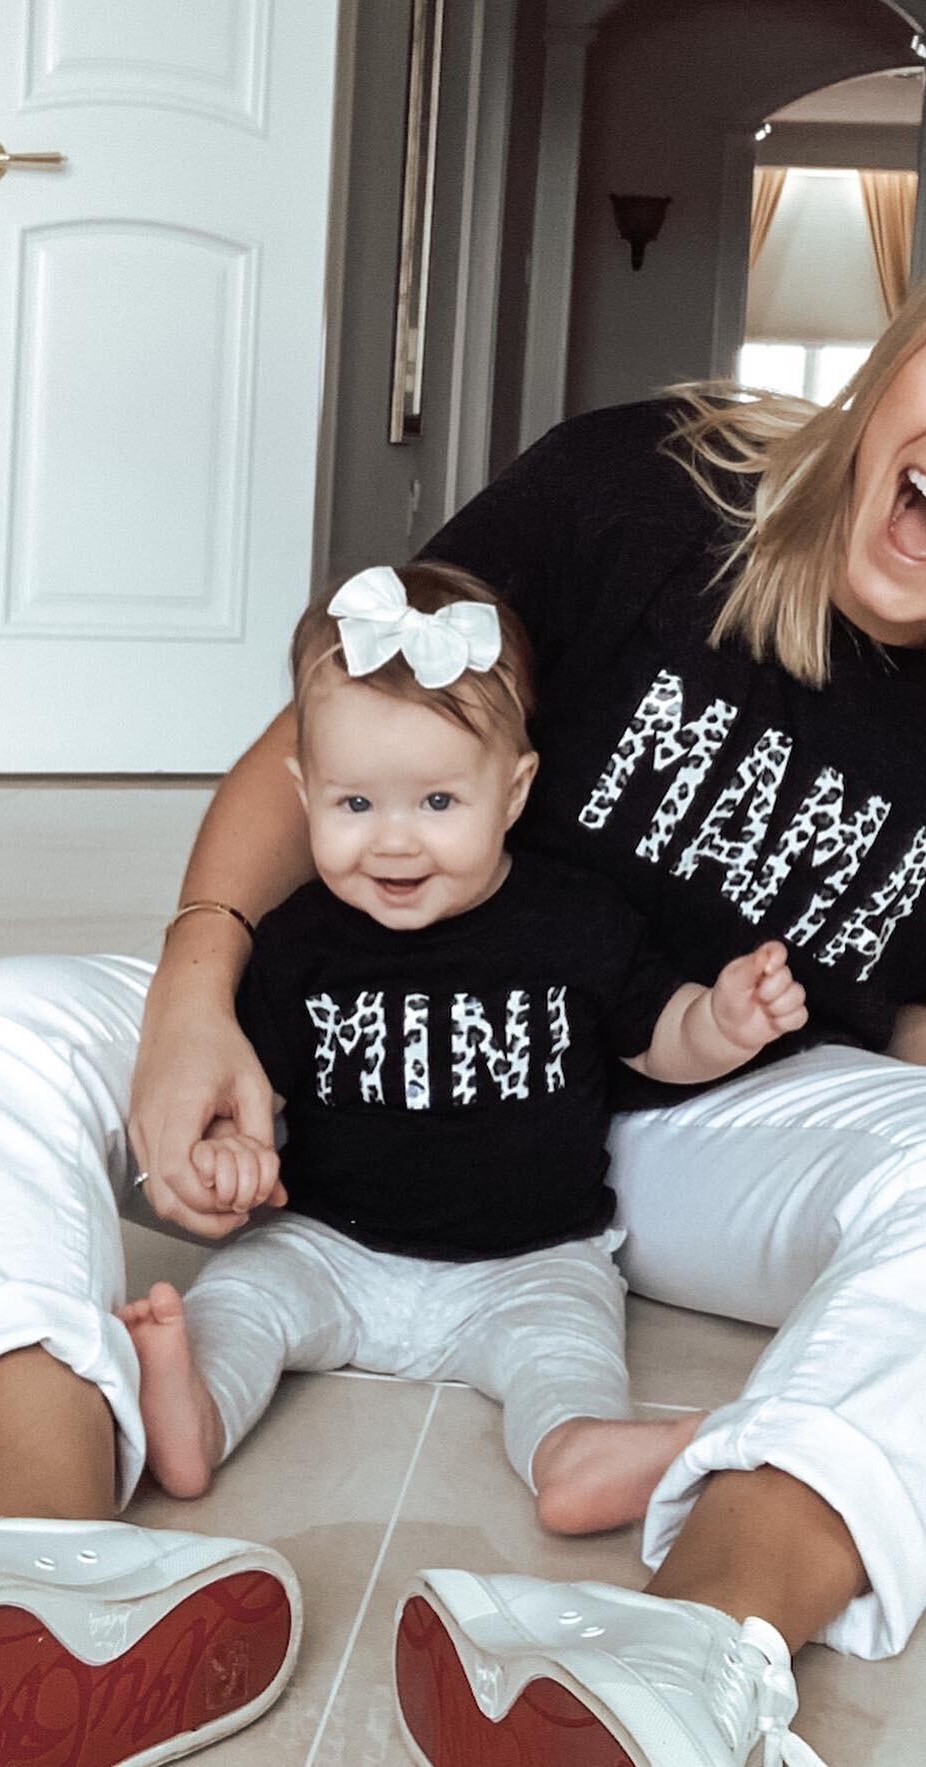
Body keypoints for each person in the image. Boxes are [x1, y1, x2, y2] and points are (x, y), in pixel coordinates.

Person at [0, 191, 926, 1767]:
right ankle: (28, 1564)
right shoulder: (642, 487)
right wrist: (194, 990)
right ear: (902, 354)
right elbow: (322, 743)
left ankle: (686, 1659)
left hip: (670, 1130)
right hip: (351, 1041)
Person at [119, 560, 807, 1529]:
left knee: (564, 1355)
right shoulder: (295, 938)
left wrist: (723, 1021)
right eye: (355, 805)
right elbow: (255, 1094)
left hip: (527, 1259)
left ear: (514, 789)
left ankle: (576, 1450)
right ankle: (193, 1412)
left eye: (438, 803)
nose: (394, 842)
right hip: (329, 1243)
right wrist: (237, 1151)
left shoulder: (577, 920)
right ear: (304, 788)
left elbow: (658, 1040)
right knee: (241, 1303)